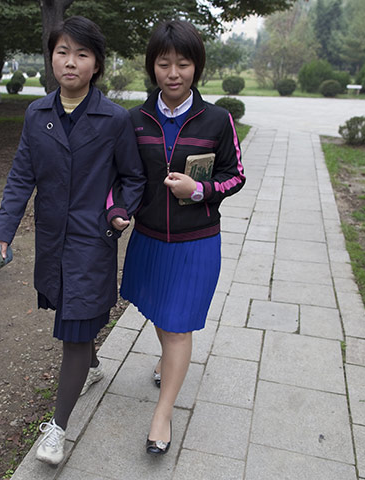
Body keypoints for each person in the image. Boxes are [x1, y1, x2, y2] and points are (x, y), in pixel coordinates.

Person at [0, 16, 145, 465]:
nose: (70, 62)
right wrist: (1, 234)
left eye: (82, 54)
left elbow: (133, 177)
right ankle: (92, 368)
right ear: (50, 57)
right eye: (62, 52)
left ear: (97, 65)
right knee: (74, 316)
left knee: (74, 328)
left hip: (93, 243)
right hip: (53, 242)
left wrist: (119, 212)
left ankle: (57, 430)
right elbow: (20, 177)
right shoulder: (38, 114)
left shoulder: (113, 119)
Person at [120, 20, 246, 455]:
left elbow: (236, 176)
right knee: (160, 314)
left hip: (197, 243)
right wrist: (116, 210)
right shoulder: (135, 121)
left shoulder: (217, 120)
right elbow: (125, 177)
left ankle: (162, 414)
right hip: (150, 238)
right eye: (164, 63)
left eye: (184, 64)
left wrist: (200, 191)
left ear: (197, 67)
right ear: (152, 67)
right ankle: (165, 363)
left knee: (177, 325)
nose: (174, 73)